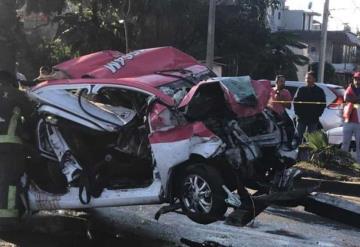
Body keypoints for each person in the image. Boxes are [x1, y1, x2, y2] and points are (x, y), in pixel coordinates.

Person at [0, 70, 33, 218]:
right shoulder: (17, 94)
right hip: (10, 145)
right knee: (10, 181)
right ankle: (6, 216)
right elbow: (31, 114)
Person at [294, 71, 326, 143]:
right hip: (301, 118)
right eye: (306, 78)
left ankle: (309, 153)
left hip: (313, 119)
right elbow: (295, 102)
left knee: (311, 139)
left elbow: (323, 104)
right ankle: (298, 152)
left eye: (309, 78)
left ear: (314, 79)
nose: (307, 80)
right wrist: (298, 114)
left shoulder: (319, 91)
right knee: (298, 137)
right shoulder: (301, 90)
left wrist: (318, 114)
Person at [267, 75, 294, 148]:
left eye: (284, 82)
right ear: (276, 82)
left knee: (290, 126)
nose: (283, 83)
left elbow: (289, 106)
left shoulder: (286, 92)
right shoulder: (270, 90)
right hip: (269, 113)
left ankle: (289, 143)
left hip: (280, 113)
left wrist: (280, 99)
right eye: (281, 81)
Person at [342, 72, 360, 163]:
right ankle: (342, 161)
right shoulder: (349, 88)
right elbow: (346, 98)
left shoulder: (350, 90)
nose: (357, 81)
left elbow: (350, 99)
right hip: (348, 120)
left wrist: (352, 99)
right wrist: (357, 99)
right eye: (356, 79)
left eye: (359, 79)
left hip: (359, 122)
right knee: (345, 143)